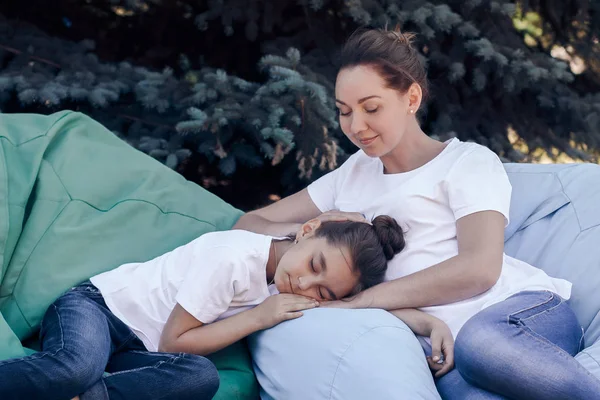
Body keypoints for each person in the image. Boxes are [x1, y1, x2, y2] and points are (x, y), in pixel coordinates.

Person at [232, 27, 600, 399]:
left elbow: (480, 268)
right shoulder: (350, 175)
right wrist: (318, 225)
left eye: (371, 108)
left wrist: (364, 301)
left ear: (411, 98)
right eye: (345, 112)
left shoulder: (466, 162)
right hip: (448, 351)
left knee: (480, 343)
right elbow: (249, 223)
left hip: (521, 316)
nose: (356, 126)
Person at [0, 215, 408, 400]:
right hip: (97, 308)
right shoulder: (235, 258)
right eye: (314, 265)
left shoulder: (286, 281)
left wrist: (423, 320)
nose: (305, 285)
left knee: (199, 378)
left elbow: (355, 304)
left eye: (325, 292)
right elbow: (174, 339)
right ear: (306, 231)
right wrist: (256, 318)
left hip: (137, 348)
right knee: (77, 366)